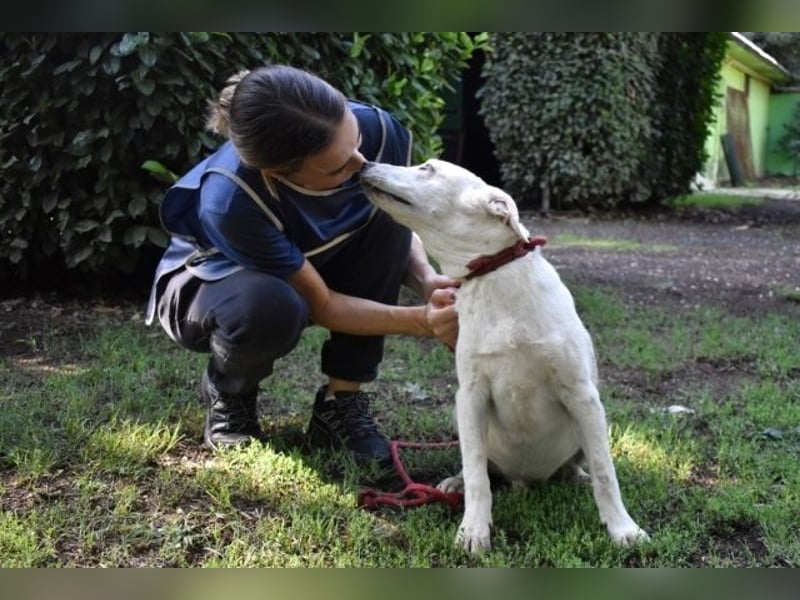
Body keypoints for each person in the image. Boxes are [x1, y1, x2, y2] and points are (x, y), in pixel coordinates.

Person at [145, 65, 459, 466]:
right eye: (337, 167)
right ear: (277, 173)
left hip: (313, 257)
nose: (361, 161)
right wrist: (423, 322)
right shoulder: (231, 200)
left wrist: (428, 281)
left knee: (380, 200)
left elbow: (392, 232)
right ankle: (230, 392)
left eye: (357, 140)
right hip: (210, 281)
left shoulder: (382, 130)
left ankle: (339, 404)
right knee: (271, 305)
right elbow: (322, 304)